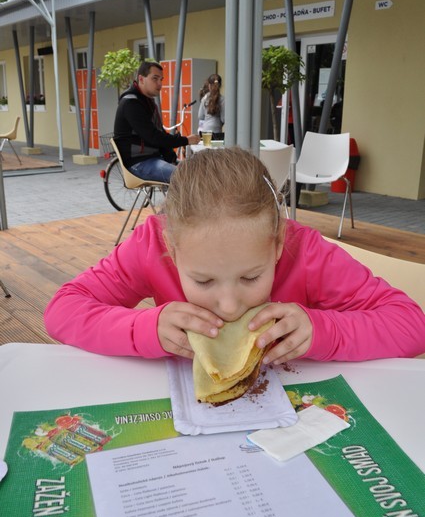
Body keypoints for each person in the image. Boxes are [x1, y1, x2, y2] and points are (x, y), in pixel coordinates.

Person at [44, 148, 425, 364]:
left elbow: (411, 326)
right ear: (171, 249)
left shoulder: (307, 253)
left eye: (251, 277)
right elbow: (63, 310)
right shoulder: (151, 245)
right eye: (203, 280)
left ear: (278, 243)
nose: (228, 305)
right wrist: (144, 328)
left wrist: (323, 330)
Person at [113, 60, 200, 183]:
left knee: (192, 172)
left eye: (161, 79)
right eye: (155, 78)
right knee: (185, 177)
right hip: (138, 163)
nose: (160, 84)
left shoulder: (147, 101)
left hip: (153, 158)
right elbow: (153, 136)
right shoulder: (131, 103)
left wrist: (172, 159)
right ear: (141, 79)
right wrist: (186, 140)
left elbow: (159, 133)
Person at [198, 73, 225, 140]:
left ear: (209, 85)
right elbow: (223, 119)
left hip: (205, 132)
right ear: (220, 85)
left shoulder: (205, 98)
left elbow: (200, 116)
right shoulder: (222, 99)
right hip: (217, 132)